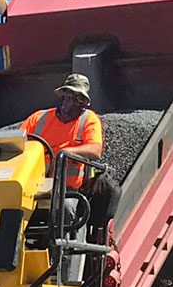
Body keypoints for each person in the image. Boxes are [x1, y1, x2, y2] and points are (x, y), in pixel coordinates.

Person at [21, 73, 118, 233]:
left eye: (78, 99)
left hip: (68, 189)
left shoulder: (89, 120)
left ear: (84, 103)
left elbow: (95, 150)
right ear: (62, 96)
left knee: (65, 208)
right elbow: (15, 145)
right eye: (69, 96)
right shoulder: (38, 119)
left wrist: (65, 152)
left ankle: (62, 256)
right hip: (31, 187)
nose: (71, 102)